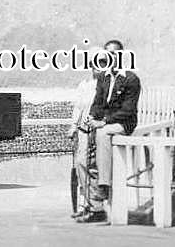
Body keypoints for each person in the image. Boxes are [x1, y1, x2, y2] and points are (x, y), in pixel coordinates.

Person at [77, 39, 140, 224]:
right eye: (107, 54)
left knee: (103, 133)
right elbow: (97, 103)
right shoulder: (103, 78)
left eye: (115, 54)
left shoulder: (131, 79)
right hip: (102, 124)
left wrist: (103, 121)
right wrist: (91, 118)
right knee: (81, 160)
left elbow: (128, 110)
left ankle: (104, 184)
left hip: (122, 124)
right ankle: (95, 207)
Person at [68, 46, 102, 218]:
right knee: (81, 165)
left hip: (97, 131)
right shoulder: (84, 85)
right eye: (95, 62)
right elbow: (78, 107)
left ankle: (96, 207)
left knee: (92, 168)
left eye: (103, 62)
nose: (98, 66)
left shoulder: (106, 85)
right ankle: (87, 204)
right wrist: (73, 126)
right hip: (83, 131)